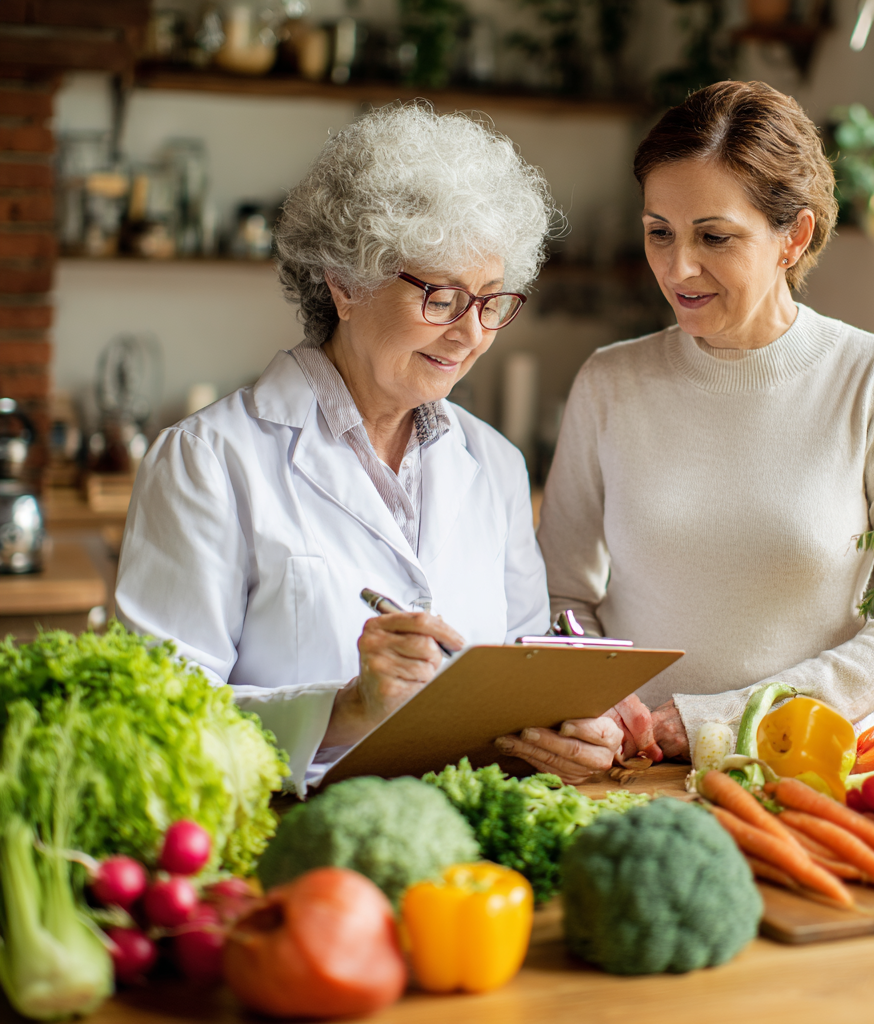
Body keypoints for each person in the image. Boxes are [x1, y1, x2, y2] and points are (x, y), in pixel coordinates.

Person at [116, 104, 631, 794]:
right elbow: (148, 718)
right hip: (287, 840)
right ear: (346, 284)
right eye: (442, 298)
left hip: (465, 847)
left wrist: (565, 731)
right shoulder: (208, 461)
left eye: (492, 301)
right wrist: (343, 710)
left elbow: (522, 668)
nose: (471, 334)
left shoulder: (496, 465)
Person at [512, 81, 874, 769]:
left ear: (793, 236)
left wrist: (716, 719)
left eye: (714, 237)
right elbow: (563, 594)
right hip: (637, 764)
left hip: (818, 768)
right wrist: (603, 703)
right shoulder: (611, 381)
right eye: (659, 232)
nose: (678, 268)